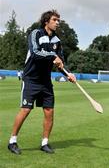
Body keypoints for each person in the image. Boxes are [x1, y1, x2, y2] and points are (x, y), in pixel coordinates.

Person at [8, 10, 76, 155]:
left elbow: (60, 63)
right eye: (55, 20)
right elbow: (35, 52)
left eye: (58, 20)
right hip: (31, 78)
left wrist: (68, 74)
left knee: (49, 111)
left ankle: (44, 143)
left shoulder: (57, 41)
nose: (58, 22)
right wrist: (53, 55)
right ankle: (12, 141)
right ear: (47, 21)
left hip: (45, 81)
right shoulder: (36, 34)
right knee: (26, 109)